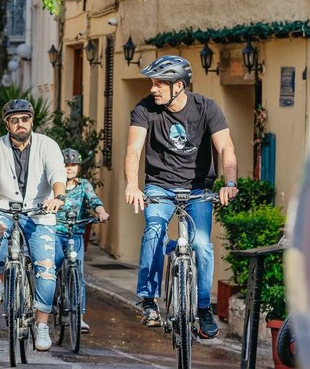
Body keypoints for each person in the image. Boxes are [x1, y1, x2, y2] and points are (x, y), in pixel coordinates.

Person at [124, 55, 239, 339]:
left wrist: (230, 182)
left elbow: (226, 148)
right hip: (159, 187)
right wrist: (132, 185)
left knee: (201, 243)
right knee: (154, 230)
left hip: (198, 188)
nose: (153, 89)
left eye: (160, 83)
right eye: (153, 82)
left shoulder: (207, 108)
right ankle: (148, 300)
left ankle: (202, 307)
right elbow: (133, 150)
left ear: (179, 86)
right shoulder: (145, 109)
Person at [0, 99, 66, 352]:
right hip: (5, 208)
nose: (20, 124)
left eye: (24, 119)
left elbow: (57, 174)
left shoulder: (48, 145)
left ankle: (42, 324)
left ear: (31, 120)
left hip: (40, 212)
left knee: (46, 267)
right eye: (14, 120)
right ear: (7, 124)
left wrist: (58, 197)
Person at [53, 148, 110, 333]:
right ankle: (52, 301)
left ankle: (80, 317)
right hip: (56, 233)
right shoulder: (54, 184)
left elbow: (93, 200)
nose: (69, 168)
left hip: (76, 234)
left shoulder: (84, 185)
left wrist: (101, 212)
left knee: (78, 273)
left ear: (78, 167)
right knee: (52, 267)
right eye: (66, 165)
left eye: (73, 165)